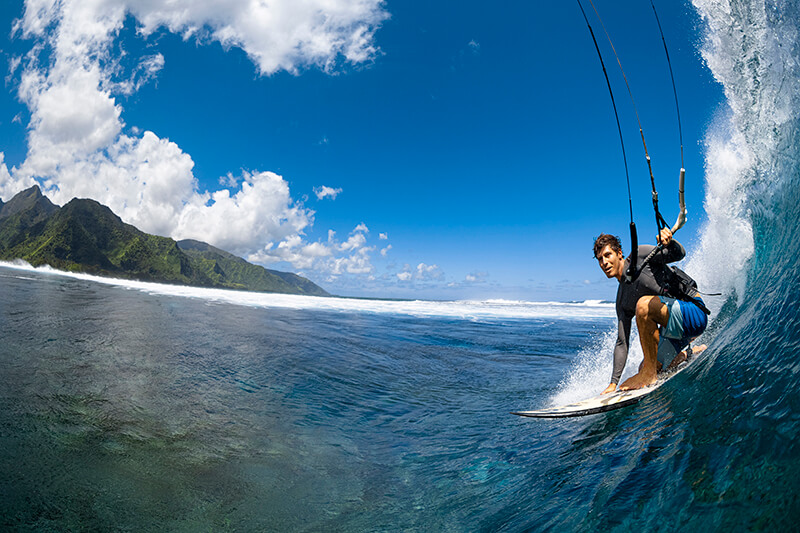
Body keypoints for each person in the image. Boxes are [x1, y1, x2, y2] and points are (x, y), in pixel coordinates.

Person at [593, 228, 708, 393]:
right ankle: (687, 354)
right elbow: (622, 342)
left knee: (643, 305)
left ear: (619, 253)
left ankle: (649, 373)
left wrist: (670, 241)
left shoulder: (640, 256)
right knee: (646, 365)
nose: (604, 262)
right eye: (599, 259)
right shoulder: (622, 301)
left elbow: (679, 254)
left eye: (607, 255)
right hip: (674, 330)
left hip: (693, 313)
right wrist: (613, 383)